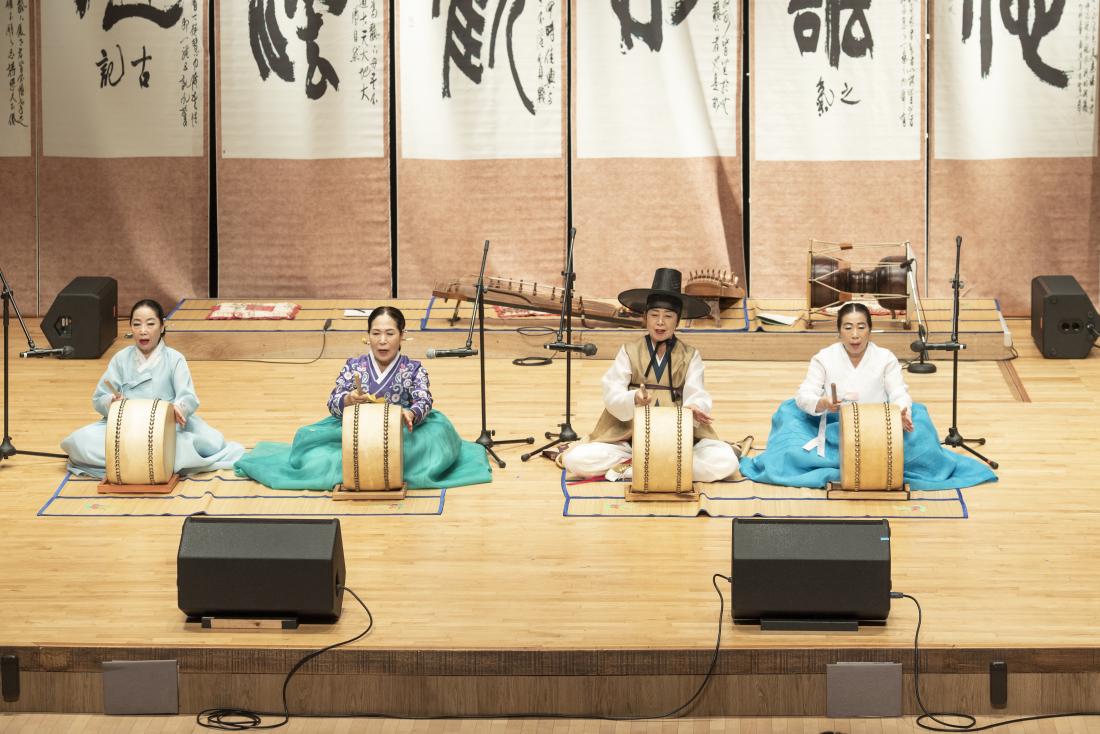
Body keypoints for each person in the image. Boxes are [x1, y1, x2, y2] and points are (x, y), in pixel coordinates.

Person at [739, 302, 998, 489]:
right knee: (788, 431)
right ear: (838, 330)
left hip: (879, 428)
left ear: (870, 329)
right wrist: (823, 402)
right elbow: (804, 394)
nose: (854, 335)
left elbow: (899, 392)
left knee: (921, 432)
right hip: (834, 427)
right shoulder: (824, 357)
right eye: (848, 327)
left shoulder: (884, 358)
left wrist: (900, 413)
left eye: (861, 327)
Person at [235, 306, 492, 490]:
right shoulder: (354, 366)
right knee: (320, 459)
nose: (382, 341)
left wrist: (411, 413)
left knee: (427, 448)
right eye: (376, 333)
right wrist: (348, 400)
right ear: (367, 335)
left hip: (400, 431)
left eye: (390, 333)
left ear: (402, 335)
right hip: (355, 430)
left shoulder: (413, 369)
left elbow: (424, 399)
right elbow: (333, 400)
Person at [562, 268, 739, 483]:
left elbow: (697, 391)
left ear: (678, 320)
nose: (660, 322)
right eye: (654, 315)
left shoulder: (690, 355)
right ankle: (663, 469)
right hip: (630, 439)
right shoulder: (629, 350)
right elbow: (612, 392)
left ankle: (635, 471)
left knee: (725, 461)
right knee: (576, 460)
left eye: (668, 316)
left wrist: (695, 408)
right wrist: (633, 398)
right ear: (645, 317)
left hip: (678, 441)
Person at [61, 299, 244, 478]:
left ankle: (134, 460)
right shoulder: (121, 359)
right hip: (126, 429)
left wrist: (178, 409)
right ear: (131, 328)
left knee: (198, 445)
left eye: (150, 324)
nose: (143, 331)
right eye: (136, 324)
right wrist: (112, 403)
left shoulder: (174, 359)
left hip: (165, 429)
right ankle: (147, 460)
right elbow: (100, 397)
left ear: (162, 327)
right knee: (81, 442)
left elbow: (187, 396)